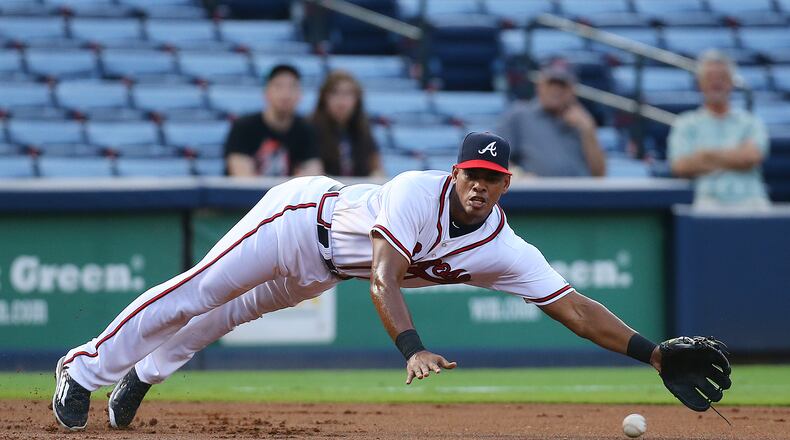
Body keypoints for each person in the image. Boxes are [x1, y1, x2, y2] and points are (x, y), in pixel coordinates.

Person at [52, 132, 729, 431]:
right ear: (455, 173)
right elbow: (384, 278)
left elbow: (574, 309)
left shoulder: (505, 248)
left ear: (505, 186)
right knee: (200, 292)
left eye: (493, 179)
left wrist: (655, 354)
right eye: (472, 174)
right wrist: (412, 347)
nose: (480, 186)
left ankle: (142, 376)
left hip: (321, 269)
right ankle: (83, 370)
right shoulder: (413, 190)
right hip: (298, 220)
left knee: (223, 317)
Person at [668, 50, 770, 208]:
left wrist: (706, 156)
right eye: (710, 78)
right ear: (700, 83)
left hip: (751, 199)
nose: (716, 83)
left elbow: (752, 156)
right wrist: (736, 156)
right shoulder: (685, 123)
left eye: (722, 77)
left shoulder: (750, 122)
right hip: (706, 200)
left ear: (731, 82)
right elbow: (680, 166)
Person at [496, 60, 606, 177]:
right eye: (551, 84)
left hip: (579, 188)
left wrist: (588, 130)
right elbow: (492, 156)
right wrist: (518, 175)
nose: (556, 90)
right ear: (539, 86)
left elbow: (599, 174)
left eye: (562, 85)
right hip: (536, 188)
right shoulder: (520, 115)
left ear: (572, 90)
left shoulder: (583, 121)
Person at [224, 64, 323, 177]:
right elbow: (242, 178)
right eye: (278, 86)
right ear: (266, 93)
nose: (286, 94)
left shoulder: (307, 130)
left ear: (300, 95)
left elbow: (312, 175)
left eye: (292, 87)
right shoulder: (243, 127)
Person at [312, 70, 384, 177]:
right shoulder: (310, 129)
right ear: (324, 97)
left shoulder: (364, 129)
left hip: (360, 186)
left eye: (348, 94)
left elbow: (377, 169)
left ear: (357, 99)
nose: (341, 100)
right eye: (335, 93)